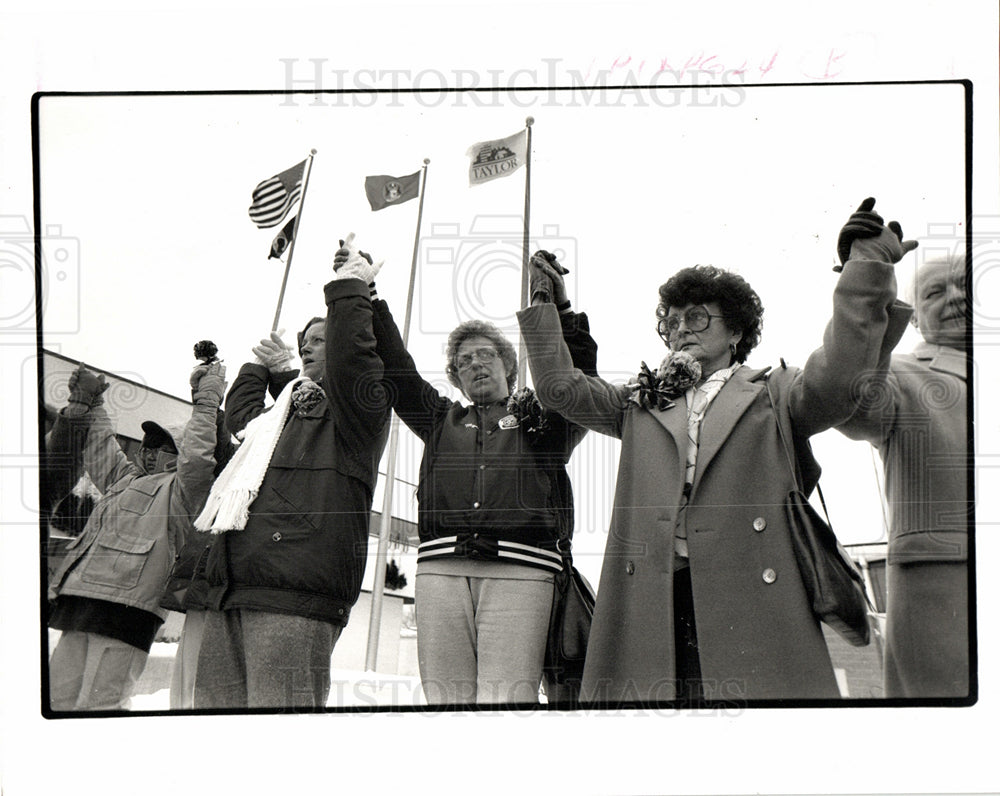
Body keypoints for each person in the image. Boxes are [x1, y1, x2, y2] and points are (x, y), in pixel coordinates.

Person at [518, 199, 916, 703]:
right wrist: (546, 304)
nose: (680, 328)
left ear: (736, 332)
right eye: (671, 320)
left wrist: (866, 270)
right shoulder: (640, 402)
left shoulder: (775, 392)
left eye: (697, 318)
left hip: (748, 597)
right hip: (654, 601)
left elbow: (840, 381)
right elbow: (559, 390)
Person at [368, 245, 598, 705]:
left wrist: (562, 310)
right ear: (454, 379)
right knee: (446, 703)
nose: (475, 364)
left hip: (524, 570)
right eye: (464, 361)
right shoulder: (439, 419)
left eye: (486, 354)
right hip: (440, 570)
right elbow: (397, 369)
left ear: (511, 366)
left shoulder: (545, 420)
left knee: (507, 703)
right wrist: (370, 298)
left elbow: (579, 381)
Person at [192, 240, 391, 710]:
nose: (307, 347)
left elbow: (353, 363)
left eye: (321, 340)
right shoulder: (281, 416)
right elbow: (241, 425)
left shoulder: (363, 408)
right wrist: (259, 367)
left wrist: (350, 292)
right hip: (235, 587)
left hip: (295, 596)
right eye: (305, 344)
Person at [47, 359, 226, 710]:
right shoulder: (123, 479)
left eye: (160, 445)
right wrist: (89, 404)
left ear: (179, 456)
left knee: (99, 708)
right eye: (146, 443)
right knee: (58, 700)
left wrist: (206, 402)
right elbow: (99, 445)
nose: (147, 449)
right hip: (83, 600)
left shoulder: (184, 491)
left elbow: (199, 455)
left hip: (129, 611)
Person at [837, 253, 969, 698]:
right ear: (913, 320)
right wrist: (867, 276)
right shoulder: (900, 374)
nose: (956, 297)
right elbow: (850, 405)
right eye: (935, 291)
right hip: (949, 598)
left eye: (967, 284)